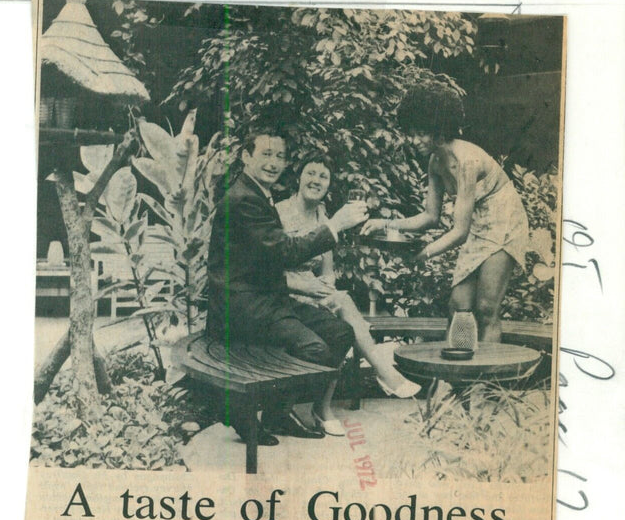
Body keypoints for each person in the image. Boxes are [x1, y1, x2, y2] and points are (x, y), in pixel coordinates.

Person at [206, 131, 368, 443]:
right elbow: (284, 252)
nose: (274, 163)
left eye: (280, 156)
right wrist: (334, 225)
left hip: (268, 300)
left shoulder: (256, 193)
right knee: (315, 348)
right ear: (246, 157)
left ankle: (279, 413)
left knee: (341, 333)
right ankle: (248, 409)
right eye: (266, 154)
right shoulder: (243, 200)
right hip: (242, 307)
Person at [362, 81, 529, 343]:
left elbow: (460, 232)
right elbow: (429, 217)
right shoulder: (435, 162)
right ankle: (458, 374)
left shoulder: (466, 162)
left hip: (505, 220)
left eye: (420, 134)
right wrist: (384, 224)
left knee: (487, 309)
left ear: (438, 130)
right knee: (458, 305)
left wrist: (424, 253)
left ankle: (485, 380)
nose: (413, 140)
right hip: (478, 225)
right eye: (411, 133)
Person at [276, 159, 421, 429]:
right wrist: (307, 289)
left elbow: (327, 270)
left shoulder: (323, 215)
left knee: (341, 311)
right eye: (311, 173)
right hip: (283, 295)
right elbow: (266, 272)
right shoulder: (279, 213)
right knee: (343, 309)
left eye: (323, 176)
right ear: (299, 178)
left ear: (328, 185)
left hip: (314, 295)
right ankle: (377, 378)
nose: (316, 180)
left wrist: (324, 291)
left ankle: (329, 405)